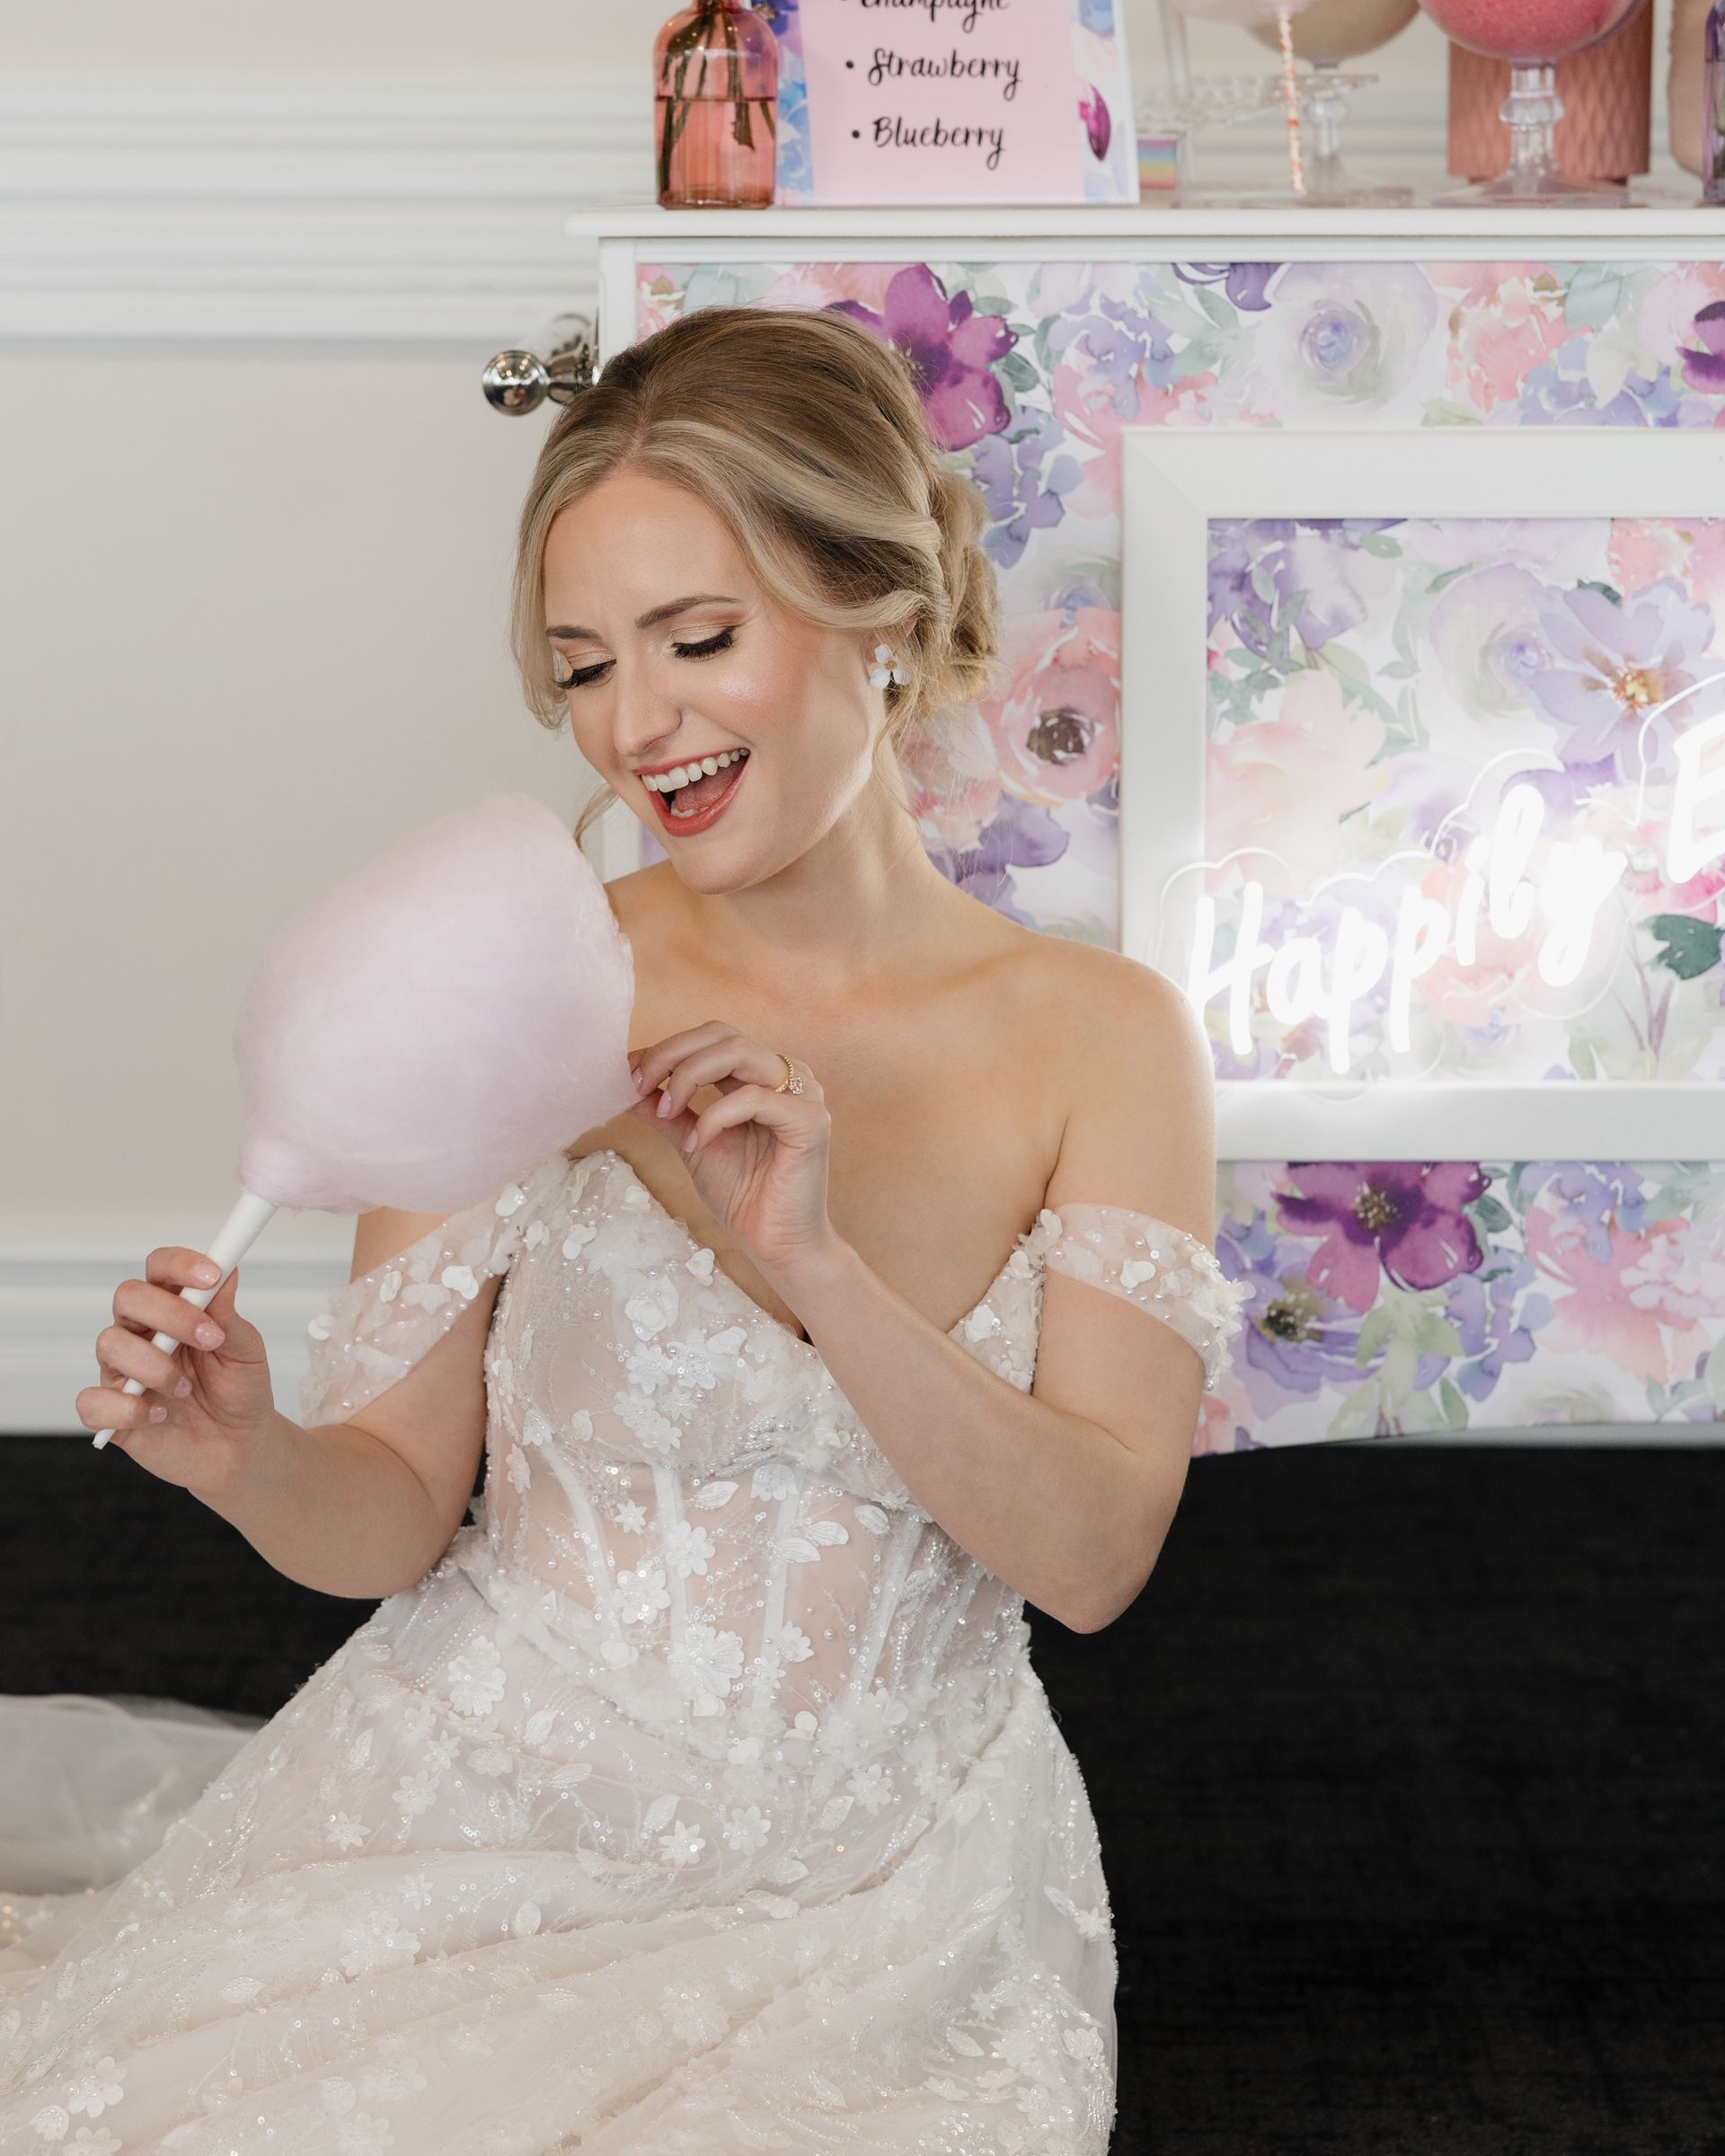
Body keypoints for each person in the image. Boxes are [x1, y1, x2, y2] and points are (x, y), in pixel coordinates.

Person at [0, 303, 1249, 2152]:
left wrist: (818, 1264)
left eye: (699, 638)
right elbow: (392, 1514)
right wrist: (247, 1451)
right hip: (476, 1816)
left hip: (888, 1896)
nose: (634, 725)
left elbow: (1091, 1562)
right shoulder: (518, 986)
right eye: (584, 665)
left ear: (878, 611)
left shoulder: (1105, 1039)